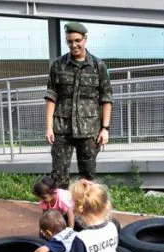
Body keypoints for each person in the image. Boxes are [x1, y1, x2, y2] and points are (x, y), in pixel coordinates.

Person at [44, 21, 113, 190]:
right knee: (59, 175)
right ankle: (60, 213)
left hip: (89, 129)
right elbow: (51, 97)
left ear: (85, 39)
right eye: (69, 41)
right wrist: (49, 127)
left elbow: (106, 98)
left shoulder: (98, 66)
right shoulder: (58, 66)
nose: (73, 45)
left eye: (77, 40)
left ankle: (85, 213)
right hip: (62, 128)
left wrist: (105, 128)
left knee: (88, 176)